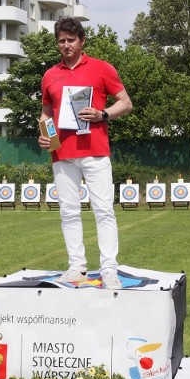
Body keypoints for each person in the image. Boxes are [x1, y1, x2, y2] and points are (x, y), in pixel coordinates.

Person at [38, 16, 133, 289]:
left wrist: (103, 114)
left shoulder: (102, 69)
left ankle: (109, 269)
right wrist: (45, 136)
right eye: (61, 41)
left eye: (71, 40)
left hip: (95, 151)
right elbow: (45, 114)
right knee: (68, 212)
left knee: (103, 210)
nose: (66, 45)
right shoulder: (50, 75)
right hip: (62, 154)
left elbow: (126, 103)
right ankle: (76, 266)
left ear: (82, 41)